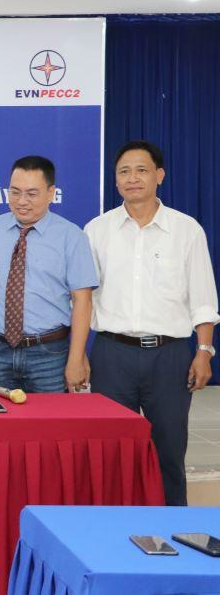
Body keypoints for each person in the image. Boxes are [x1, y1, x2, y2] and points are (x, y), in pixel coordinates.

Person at [85, 140, 219, 506]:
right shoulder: (97, 230)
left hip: (169, 356)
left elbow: (203, 297)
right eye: (124, 172)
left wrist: (204, 351)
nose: (132, 178)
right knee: (112, 453)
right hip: (112, 355)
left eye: (141, 170)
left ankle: (175, 527)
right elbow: (84, 299)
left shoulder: (186, 230)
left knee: (169, 452)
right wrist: (79, 354)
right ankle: (114, 528)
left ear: (159, 175)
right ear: (115, 180)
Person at [0, 156, 98, 393]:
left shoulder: (71, 236)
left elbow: (82, 301)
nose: (22, 201)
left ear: (51, 193)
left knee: (50, 418)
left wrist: (76, 358)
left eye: (32, 194)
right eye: (15, 192)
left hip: (49, 354)